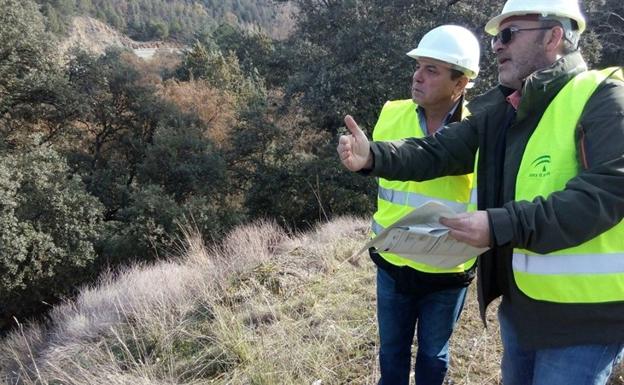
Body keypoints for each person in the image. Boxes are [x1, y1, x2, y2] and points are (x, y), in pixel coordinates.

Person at [337, 0, 624, 384]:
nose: (497, 46)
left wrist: (499, 224)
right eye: (494, 39)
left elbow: (608, 192)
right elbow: (438, 150)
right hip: (522, 308)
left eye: (507, 34)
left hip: (584, 319)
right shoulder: (507, 109)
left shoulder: (603, 96)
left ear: (554, 35)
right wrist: (373, 155)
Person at [368, 25, 480, 385]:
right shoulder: (392, 113)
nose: (417, 76)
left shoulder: (481, 129)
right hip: (393, 263)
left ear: (460, 83)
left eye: (431, 70)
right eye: (418, 66)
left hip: (447, 271)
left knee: (433, 357)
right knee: (392, 353)